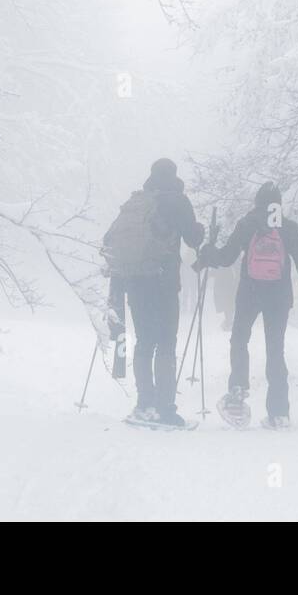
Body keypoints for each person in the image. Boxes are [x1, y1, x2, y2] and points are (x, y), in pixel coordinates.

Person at [195, 181, 298, 428]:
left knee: (239, 340)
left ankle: (237, 394)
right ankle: (279, 413)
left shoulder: (247, 224)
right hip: (279, 296)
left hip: (250, 292)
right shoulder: (289, 227)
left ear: (257, 202)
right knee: (276, 349)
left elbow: (226, 257)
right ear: (278, 204)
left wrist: (209, 253)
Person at [103, 158, 205, 426]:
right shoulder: (177, 201)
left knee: (145, 342)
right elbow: (193, 239)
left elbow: (108, 240)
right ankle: (165, 409)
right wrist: (201, 231)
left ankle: (144, 404)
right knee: (166, 343)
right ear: (173, 176)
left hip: (135, 281)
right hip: (163, 281)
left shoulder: (137, 202)